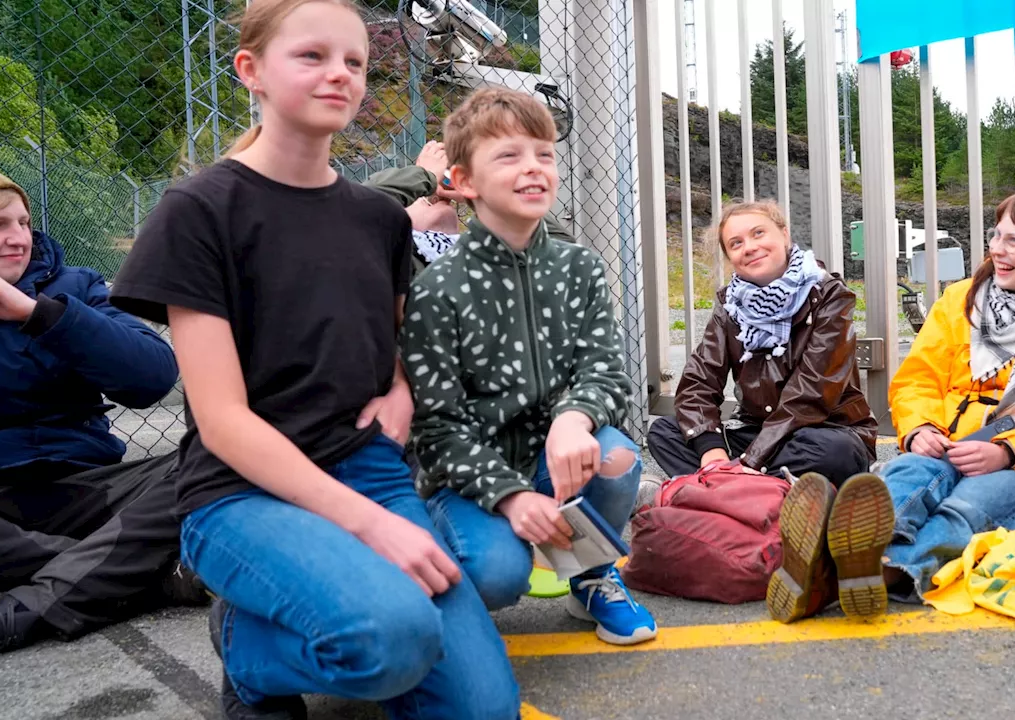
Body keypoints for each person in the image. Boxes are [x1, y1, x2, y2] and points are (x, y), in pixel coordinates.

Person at [107, 1, 519, 718]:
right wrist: (371, 524)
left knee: (481, 708)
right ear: (251, 71)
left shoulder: (377, 218)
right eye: (312, 57)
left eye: (355, 62)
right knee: (390, 637)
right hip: (241, 491)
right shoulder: (201, 210)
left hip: (367, 467)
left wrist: (402, 392)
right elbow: (223, 421)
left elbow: (400, 342)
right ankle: (245, 641)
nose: (340, 75)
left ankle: (311, 613)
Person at [775, 188, 1015, 624]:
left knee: (967, 506)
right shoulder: (961, 299)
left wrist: (1009, 451)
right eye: (997, 236)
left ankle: (866, 572)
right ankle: (851, 565)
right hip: (950, 437)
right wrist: (920, 429)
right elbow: (918, 378)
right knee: (907, 476)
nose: (997, 248)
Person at [402, 86, 658, 646]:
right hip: (469, 475)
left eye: (544, 154)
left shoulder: (578, 266)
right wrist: (511, 496)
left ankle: (590, 577)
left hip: (553, 455)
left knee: (616, 456)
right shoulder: (438, 288)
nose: (534, 168)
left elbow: (606, 371)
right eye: (509, 156)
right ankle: (445, 551)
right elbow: (435, 429)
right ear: (465, 182)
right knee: (498, 577)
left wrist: (574, 419)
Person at [0, 165, 203, 663]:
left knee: (216, 453)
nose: (18, 238)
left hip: (90, 491)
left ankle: (28, 606)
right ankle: (129, 572)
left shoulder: (71, 287)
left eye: (24, 222)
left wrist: (40, 315)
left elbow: (153, 377)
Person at [647, 201, 878, 483]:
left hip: (822, 430)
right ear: (730, 257)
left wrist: (751, 460)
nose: (750, 247)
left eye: (759, 233)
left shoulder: (828, 295)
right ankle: (766, 494)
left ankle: (723, 491)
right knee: (665, 432)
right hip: (757, 432)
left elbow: (811, 394)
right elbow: (698, 382)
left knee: (837, 452)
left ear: (784, 234)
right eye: (736, 243)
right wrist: (713, 453)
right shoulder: (730, 305)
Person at [365, 140, 574, 276]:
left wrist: (485, 197)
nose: (439, 199)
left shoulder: (484, 255)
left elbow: (567, 254)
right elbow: (354, 212)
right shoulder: (393, 257)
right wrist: (424, 174)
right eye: (419, 199)